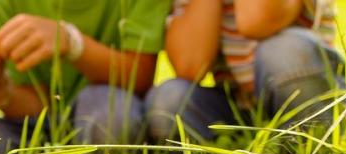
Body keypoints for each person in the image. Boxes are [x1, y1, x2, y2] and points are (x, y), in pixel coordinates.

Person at [0, 0, 172, 154]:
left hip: (108, 113)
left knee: (110, 112)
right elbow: (35, 106)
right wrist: (0, 91)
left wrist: (72, 43)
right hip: (43, 128)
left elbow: (140, 77)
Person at [145, 0, 344, 142]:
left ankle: (317, 145)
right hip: (241, 106)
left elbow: (255, 20)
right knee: (168, 100)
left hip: (313, 93)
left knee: (282, 52)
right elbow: (189, 66)